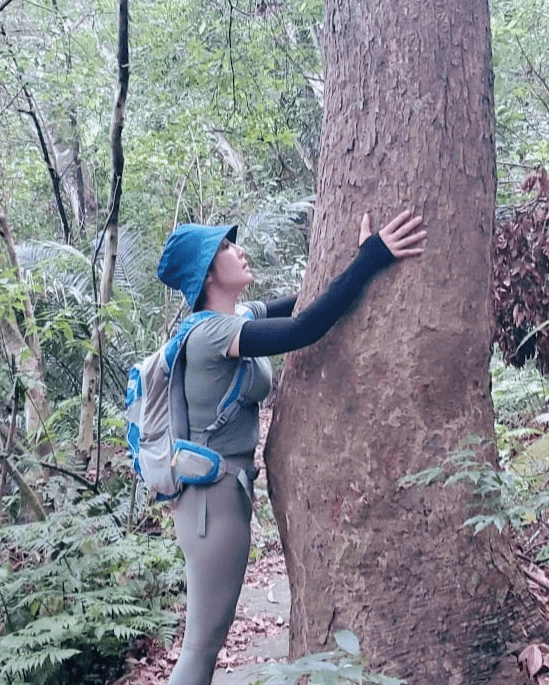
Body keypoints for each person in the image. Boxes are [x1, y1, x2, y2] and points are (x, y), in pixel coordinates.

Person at [155, 208, 426, 685]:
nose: (239, 250)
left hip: (223, 494)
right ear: (207, 273)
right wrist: (372, 257)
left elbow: (314, 301)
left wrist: (360, 258)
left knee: (206, 638)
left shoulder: (238, 317)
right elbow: (305, 330)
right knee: (202, 643)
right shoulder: (210, 334)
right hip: (209, 504)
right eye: (225, 247)